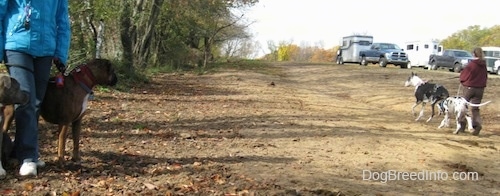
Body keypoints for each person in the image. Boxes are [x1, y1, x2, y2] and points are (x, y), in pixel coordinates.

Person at [0, 0, 71, 176]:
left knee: (37, 102)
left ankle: (19, 152)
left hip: (46, 49)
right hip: (17, 45)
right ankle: (28, 157)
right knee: (26, 99)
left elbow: (62, 20)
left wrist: (60, 52)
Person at [459, 47, 488, 136]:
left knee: (463, 107)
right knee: (475, 108)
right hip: (480, 90)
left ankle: (462, 125)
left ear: (473, 54)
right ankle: (477, 125)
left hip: (469, 88)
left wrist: (462, 79)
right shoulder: (484, 65)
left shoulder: (472, 64)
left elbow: (464, 76)